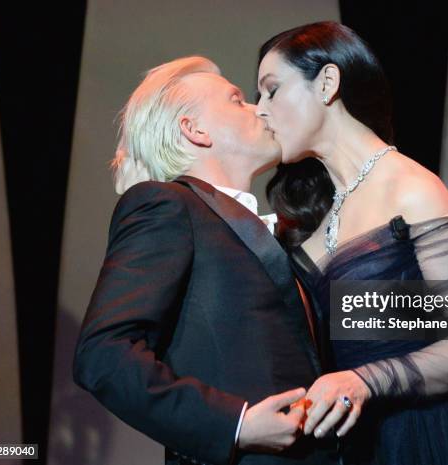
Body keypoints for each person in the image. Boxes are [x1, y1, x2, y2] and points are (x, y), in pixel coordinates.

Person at [256, 21, 448, 465]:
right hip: (356, 445)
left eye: (271, 90)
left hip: (429, 438)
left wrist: (364, 381)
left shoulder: (410, 187)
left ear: (327, 83)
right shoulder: (323, 212)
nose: (260, 109)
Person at [73, 56, 339, 465]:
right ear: (194, 129)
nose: (260, 108)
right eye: (237, 100)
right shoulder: (167, 205)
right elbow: (103, 353)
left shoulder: (274, 230)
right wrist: (235, 424)